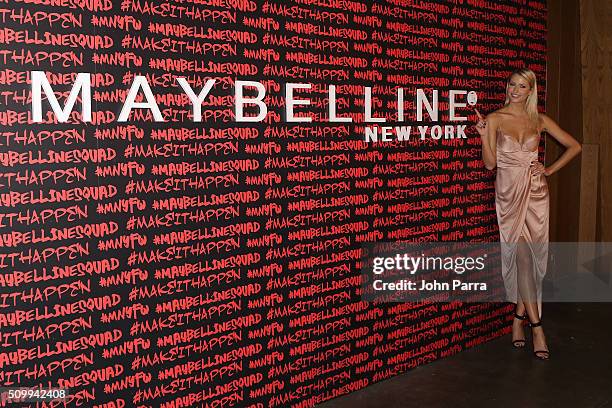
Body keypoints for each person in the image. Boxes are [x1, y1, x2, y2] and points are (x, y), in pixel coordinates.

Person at [474, 68, 582, 360]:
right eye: (512, 84)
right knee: (522, 258)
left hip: (536, 193)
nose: (515, 90)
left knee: (532, 261)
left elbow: (575, 146)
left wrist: (547, 170)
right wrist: (485, 136)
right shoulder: (495, 118)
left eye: (522, 86)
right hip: (509, 194)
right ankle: (537, 327)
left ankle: (517, 320)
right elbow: (489, 165)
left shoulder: (540, 120)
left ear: (531, 90)